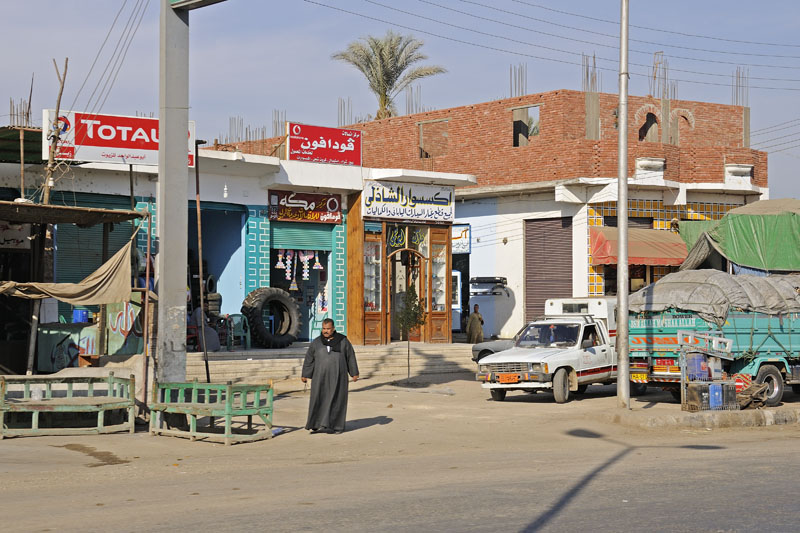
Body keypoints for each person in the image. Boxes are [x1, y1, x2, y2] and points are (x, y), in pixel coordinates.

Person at [301, 318, 359, 434]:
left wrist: (354, 372)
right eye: (323, 328)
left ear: (333, 329)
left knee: (337, 400)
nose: (325, 331)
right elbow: (309, 359)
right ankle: (315, 424)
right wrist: (305, 374)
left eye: (328, 329)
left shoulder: (343, 341)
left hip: (338, 376)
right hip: (319, 377)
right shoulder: (317, 342)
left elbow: (350, 356)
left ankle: (336, 426)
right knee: (318, 398)